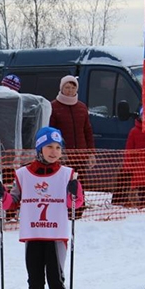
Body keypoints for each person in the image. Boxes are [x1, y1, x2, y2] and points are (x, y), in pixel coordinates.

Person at [0, 126, 83, 289]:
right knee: (34, 280)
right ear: (39, 149)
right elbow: (11, 202)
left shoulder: (67, 174)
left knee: (55, 280)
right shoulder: (23, 174)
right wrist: (0, 196)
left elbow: (76, 204)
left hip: (55, 235)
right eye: (49, 147)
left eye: (57, 147)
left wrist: (75, 192)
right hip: (33, 234)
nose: (53, 151)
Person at [50, 75, 94, 217]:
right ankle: (64, 209)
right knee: (63, 182)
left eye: (73, 87)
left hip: (81, 154)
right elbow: (52, 131)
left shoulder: (81, 107)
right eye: (67, 88)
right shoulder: (54, 106)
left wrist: (91, 153)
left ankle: (79, 209)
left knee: (79, 182)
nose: (70, 90)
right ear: (61, 88)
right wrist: (58, 151)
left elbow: (87, 131)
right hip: (63, 156)